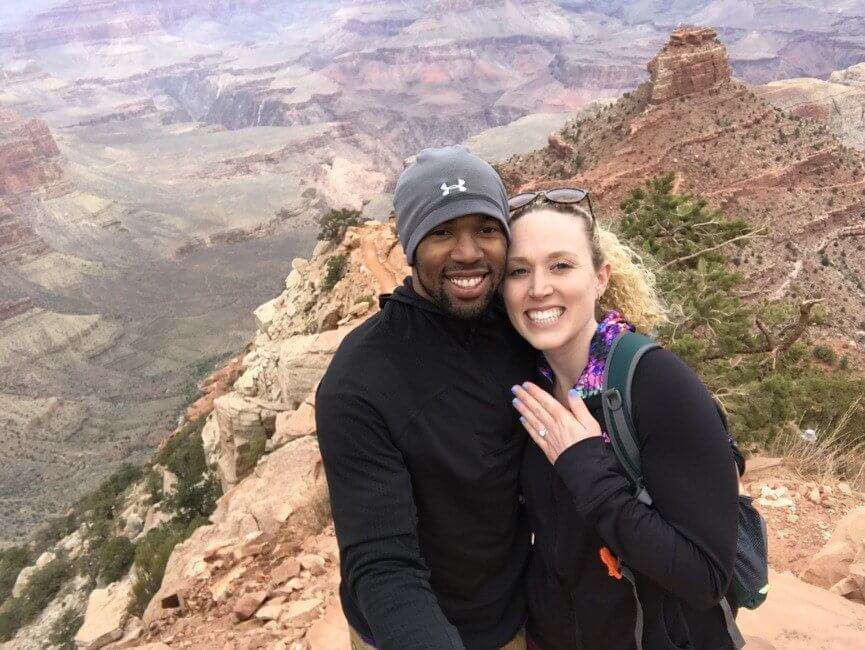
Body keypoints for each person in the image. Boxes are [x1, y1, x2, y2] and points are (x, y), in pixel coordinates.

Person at [316, 145, 536, 650]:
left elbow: (607, 365)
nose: (467, 252)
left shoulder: (525, 327)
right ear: (410, 245)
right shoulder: (359, 383)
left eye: (485, 228)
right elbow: (381, 563)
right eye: (441, 232)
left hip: (521, 616)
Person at [502, 191, 740, 649]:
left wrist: (589, 470)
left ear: (600, 278)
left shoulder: (653, 381)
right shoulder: (529, 384)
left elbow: (706, 578)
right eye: (519, 271)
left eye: (561, 265)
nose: (538, 288)